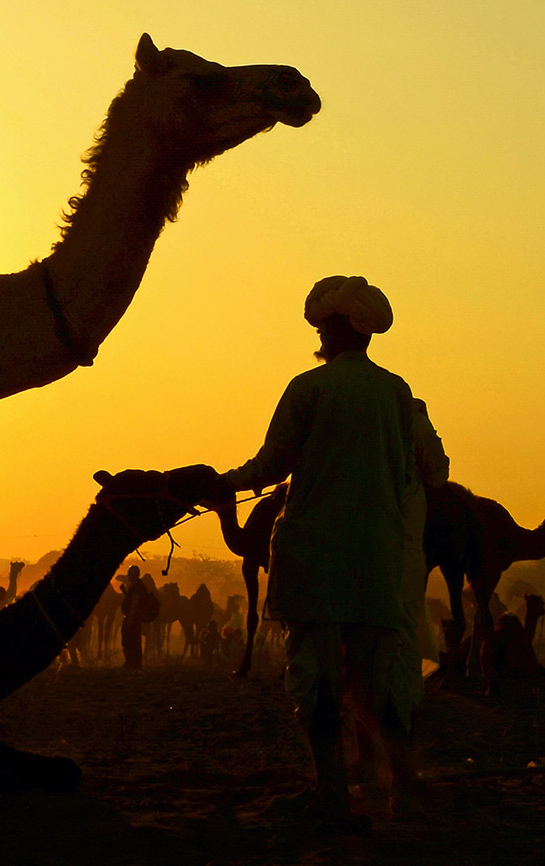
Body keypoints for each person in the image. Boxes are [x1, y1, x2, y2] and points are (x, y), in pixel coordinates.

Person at [209, 275, 446, 832]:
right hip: (379, 561)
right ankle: (402, 796)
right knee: (381, 679)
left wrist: (216, 484)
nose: (319, 332)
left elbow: (268, 468)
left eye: (323, 325)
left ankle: (331, 795)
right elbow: (422, 472)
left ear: (335, 329)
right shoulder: (396, 393)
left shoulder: (309, 387)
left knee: (315, 680)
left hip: (316, 556)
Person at [118, 566, 159, 669]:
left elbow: (135, 603)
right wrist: (125, 593)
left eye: (130, 575)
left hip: (133, 618)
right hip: (134, 618)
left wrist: (130, 619)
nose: (129, 577)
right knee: (132, 640)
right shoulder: (137, 586)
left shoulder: (137, 586)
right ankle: (132, 663)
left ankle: (132, 663)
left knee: (131, 640)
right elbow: (132, 600)